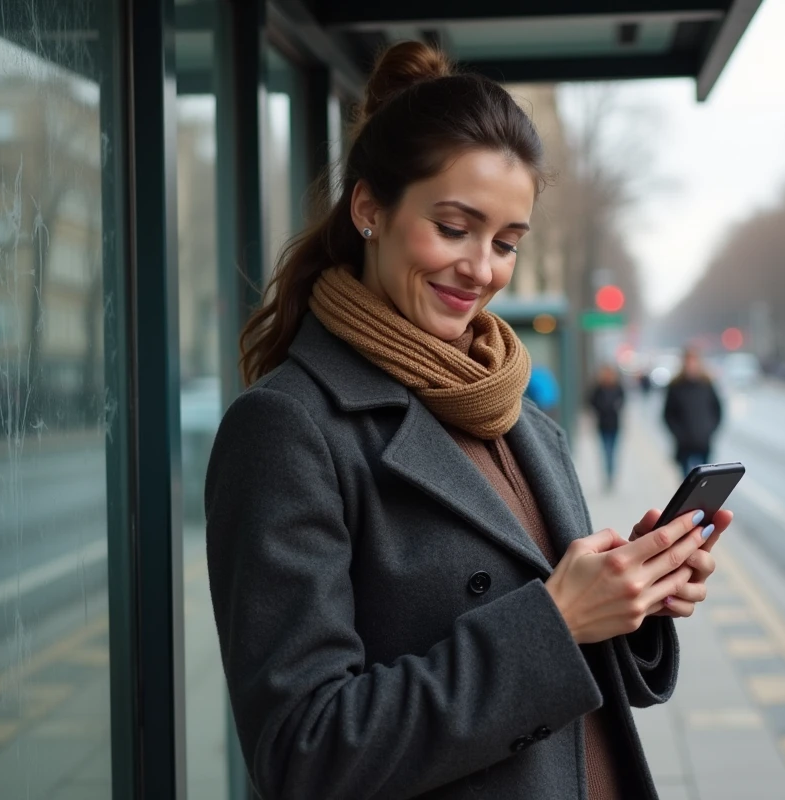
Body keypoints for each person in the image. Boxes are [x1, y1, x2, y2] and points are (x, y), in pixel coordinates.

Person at [205, 42, 732, 800]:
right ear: (368, 210)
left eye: (506, 242)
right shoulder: (288, 429)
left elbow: (562, 659)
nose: (482, 268)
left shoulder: (514, 410)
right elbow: (304, 752)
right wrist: (556, 620)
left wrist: (629, 602)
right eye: (454, 228)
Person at [663, 349, 723, 477]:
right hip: (684, 443)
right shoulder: (676, 386)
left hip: (703, 441)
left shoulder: (707, 385)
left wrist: (709, 430)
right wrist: (679, 434)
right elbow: (668, 415)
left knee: (705, 480)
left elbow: (717, 410)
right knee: (686, 482)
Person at [589, 365, 625, 491]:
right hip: (602, 425)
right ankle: (607, 474)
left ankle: (611, 474)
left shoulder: (618, 388)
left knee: (613, 451)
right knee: (605, 450)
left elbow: (622, 402)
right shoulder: (598, 389)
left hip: (614, 425)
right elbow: (591, 402)